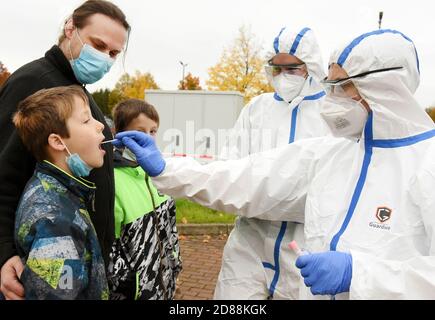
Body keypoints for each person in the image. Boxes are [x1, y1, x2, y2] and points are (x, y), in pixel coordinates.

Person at [114, 29, 435, 299]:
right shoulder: (333, 154)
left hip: (295, 262)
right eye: (330, 85)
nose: (332, 97)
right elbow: (247, 177)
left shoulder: (427, 164)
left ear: (385, 86)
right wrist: (167, 169)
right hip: (253, 249)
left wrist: (360, 275)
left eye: (343, 86)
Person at [0, 0, 129, 300]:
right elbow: (4, 174)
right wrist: (4, 253)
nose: (105, 59)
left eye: (113, 53)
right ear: (71, 29)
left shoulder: (76, 90)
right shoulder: (35, 83)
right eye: (99, 45)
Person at [216, 27, 329, 299]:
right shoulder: (257, 108)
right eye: (276, 69)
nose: (283, 77)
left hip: (303, 244)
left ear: (311, 66)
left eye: (291, 69)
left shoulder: (330, 112)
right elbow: (229, 166)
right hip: (249, 240)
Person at [13, 85, 109, 299]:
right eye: (86, 120)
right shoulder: (56, 222)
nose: (100, 125)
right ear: (57, 141)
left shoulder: (61, 192)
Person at [108, 99, 182, 300]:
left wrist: (174, 263)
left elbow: (171, 225)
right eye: (140, 131)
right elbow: (109, 249)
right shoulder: (111, 181)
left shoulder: (160, 174)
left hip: (165, 285)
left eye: (153, 131)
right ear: (118, 132)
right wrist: (129, 286)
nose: (148, 138)